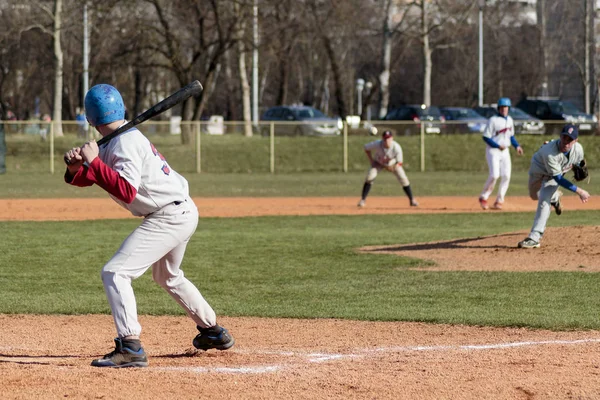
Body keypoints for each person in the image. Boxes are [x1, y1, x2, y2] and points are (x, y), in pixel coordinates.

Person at [63, 84, 234, 368]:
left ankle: (130, 346)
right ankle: (212, 331)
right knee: (167, 276)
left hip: (168, 215)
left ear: (90, 118)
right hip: (178, 211)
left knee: (115, 272)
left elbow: (125, 191)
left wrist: (93, 160)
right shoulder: (111, 142)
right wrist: (76, 167)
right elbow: (90, 177)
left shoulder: (125, 142)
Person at [518, 124, 591, 248]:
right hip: (538, 172)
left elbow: (577, 163)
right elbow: (559, 178)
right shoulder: (549, 152)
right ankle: (555, 199)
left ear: (575, 141)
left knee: (543, 200)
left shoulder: (578, 149)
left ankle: (534, 237)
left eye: (570, 140)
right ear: (560, 136)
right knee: (534, 196)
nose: (566, 142)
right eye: (564, 137)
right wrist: (579, 191)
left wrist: (579, 166)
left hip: (552, 177)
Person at [478, 97, 523, 210]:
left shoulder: (510, 120)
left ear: (509, 108)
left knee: (507, 176)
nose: (504, 109)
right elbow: (486, 137)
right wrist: (497, 146)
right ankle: (484, 197)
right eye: (502, 107)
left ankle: (499, 200)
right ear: (498, 108)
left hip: (505, 151)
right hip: (493, 151)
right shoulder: (493, 120)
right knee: (494, 175)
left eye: (506, 107)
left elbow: (511, 136)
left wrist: (517, 146)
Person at [357, 130, 418, 208]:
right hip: (378, 163)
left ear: (392, 138)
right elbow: (366, 148)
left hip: (392, 164)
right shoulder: (377, 144)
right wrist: (371, 161)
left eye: (388, 138)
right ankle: (363, 200)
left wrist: (393, 168)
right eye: (385, 138)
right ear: (382, 139)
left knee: (403, 178)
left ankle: (412, 200)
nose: (387, 140)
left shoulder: (396, 147)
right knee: (370, 177)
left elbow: (399, 162)